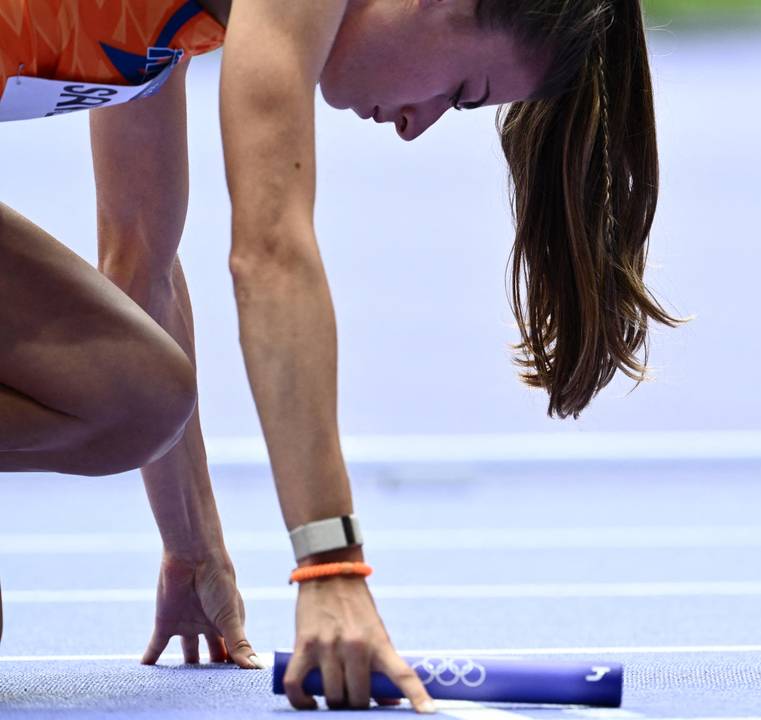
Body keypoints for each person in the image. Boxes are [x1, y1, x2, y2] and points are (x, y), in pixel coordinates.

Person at [0, 0, 684, 711]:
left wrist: (194, 550)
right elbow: (270, 255)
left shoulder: (171, 25)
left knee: (134, 394)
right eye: (461, 93)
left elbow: (139, 265)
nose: (418, 125)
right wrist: (331, 569)